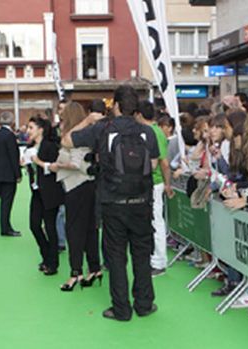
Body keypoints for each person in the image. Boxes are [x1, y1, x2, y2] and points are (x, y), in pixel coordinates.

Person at [63, 85, 160, 321]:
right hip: (141, 201)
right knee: (141, 253)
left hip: (112, 201)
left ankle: (121, 308)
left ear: (115, 106)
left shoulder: (101, 129)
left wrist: (87, 120)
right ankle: (144, 303)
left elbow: (66, 141)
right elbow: (154, 165)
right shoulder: (148, 132)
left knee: (116, 256)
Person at [51, 102, 100, 291]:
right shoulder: (86, 135)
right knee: (89, 230)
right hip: (87, 186)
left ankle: (76, 272)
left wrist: (57, 166)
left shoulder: (74, 138)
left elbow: (76, 164)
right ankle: (94, 268)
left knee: (75, 231)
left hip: (76, 187)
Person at [137, 100, 171, 276]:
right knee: (153, 221)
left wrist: (167, 184)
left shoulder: (152, 132)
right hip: (154, 182)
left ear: (140, 115)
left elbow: (163, 162)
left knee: (156, 221)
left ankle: (159, 261)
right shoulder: (156, 131)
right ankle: (155, 258)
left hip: (154, 182)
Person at [27, 115, 62, 276]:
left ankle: (52, 263)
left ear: (40, 130)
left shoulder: (50, 146)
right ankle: (46, 254)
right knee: (34, 225)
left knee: (50, 227)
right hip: (36, 190)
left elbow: (56, 168)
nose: (28, 131)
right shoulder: (30, 147)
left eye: (31, 128)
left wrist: (39, 162)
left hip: (50, 191)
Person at [0, 111, 21, 236]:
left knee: (4, 202)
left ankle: (5, 226)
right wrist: (18, 173)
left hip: (0, 171)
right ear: (12, 121)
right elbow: (13, 156)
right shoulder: (10, 136)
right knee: (7, 202)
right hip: (9, 173)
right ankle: (6, 228)